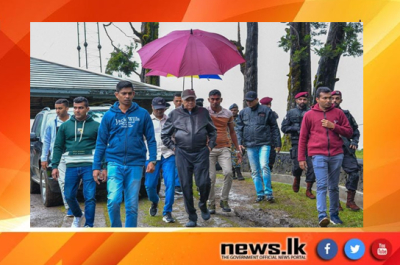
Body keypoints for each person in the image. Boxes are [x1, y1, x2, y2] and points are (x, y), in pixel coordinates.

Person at [93, 81, 157, 227]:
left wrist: (152, 159)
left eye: (129, 93)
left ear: (133, 94)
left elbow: (151, 139)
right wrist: (96, 166)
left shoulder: (142, 114)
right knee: (113, 200)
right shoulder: (109, 116)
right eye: (123, 93)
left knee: (132, 205)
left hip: (135, 164)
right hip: (114, 162)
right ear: (117, 95)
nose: (127, 96)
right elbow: (101, 142)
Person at [298, 87, 353, 227]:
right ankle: (322, 215)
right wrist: (301, 158)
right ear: (317, 99)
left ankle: (334, 214)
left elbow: (349, 132)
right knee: (322, 185)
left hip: (336, 154)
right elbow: (303, 138)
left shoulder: (338, 113)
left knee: (333, 187)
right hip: (317, 154)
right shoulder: (309, 115)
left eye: (330, 98)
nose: (329, 101)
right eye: (325, 98)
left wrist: (333, 126)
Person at [162, 89, 217, 227]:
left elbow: (212, 131)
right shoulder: (174, 114)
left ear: (195, 99)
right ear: (182, 100)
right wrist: (174, 148)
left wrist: (210, 145)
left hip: (200, 152)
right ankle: (192, 217)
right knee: (185, 185)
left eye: (192, 99)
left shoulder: (203, 112)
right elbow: (165, 135)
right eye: (187, 100)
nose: (190, 102)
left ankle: (203, 204)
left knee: (204, 182)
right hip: (182, 153)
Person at [52, 97, 99, 228]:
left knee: (89, 196)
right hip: (71, 166)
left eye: (81, 108)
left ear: (87, 109)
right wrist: (54, 165)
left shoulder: (96, 126)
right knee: (68, 195)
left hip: (89, 165)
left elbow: (102, 147)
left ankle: (89, 225)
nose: (77, 111)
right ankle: (78, 215)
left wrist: (102, 166)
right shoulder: (65, 126)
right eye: (75, 108)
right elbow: (58, 146)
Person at [235, 91, 281, 203]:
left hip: (265, 143)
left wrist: (278, 143)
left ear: (257, 99)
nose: (249, 103)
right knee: (255, 170)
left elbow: (274, 127)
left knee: (264, 166)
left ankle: (268, 192)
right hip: (250, 145)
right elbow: (238, 128)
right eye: (247, 101)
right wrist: (239, 142)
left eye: (251, 100)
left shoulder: (266, 110)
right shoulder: (243, 113)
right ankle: (259, 193)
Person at [206, 90, 242, 214]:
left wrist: (237, 148)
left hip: (224, 147)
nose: (215, 101)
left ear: (221, 99)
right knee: (211, 178)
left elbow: (232, 131)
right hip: (209, 148)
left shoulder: (227, 113)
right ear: (208, 99)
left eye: (217, 99)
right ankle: (210, 203)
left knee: (228, 172)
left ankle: (224, 200)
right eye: (212, 99)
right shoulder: (204, 112)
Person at [145, 97, 177, 223]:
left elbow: (176, 135)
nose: (159, 111)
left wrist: (176, 147)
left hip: (168, 154)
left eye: (162, 108)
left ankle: (167, 212)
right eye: (157, 108)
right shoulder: (146, 120)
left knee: (170, 184)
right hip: (152, 156)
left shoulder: (170, 120)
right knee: (149, 185)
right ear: (152, 107)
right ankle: (154, 201)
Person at [281, 92, 316, 199]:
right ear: (296, 100)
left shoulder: (311, 112)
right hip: (296, 142)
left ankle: (308, 189)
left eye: (304, 100)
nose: (302, 102)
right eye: (300, 99)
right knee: (297, 166)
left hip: (310, 143)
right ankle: (297, 179)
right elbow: (284, 128)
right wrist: (296, 129)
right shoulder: (291, 113)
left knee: (312, 167)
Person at [331, 90, 361, 211]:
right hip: (331, 149)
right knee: (332, 176)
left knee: (354, 173)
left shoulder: (346, 114)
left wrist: (354, 141)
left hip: (346, 148)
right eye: (332, 98)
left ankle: (350, 201)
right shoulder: (323, 114)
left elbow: (355, 131)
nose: (334, 101)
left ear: (341, 100)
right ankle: (335, 202)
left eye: (337, 98)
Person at [41, 99, 72, 216]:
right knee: (63, 181)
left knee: (75, 182)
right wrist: (44, 158)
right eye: (56, 108)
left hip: (74, 155)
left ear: (67, 108)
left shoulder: (74, 120)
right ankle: (69, 207)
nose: (58, 111)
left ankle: (73, 204)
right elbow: (47, 141)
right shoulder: (51, 122)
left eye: (60, 108)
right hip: (58, 157)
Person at [165, 92, 183, 196]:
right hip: (174, 141)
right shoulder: (170, 113)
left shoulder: (187, 112)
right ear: (173, 101)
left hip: (185, 141)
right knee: (176, 163)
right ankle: (177, 185)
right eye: (177, 101)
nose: (179, 102)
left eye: (181, 100)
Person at [260, 97, 281, 172]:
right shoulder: (258, 114)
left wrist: (278, 143)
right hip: (261, 141)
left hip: (270, 141)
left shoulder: (271, 114)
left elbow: (275, 129)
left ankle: (266, 179)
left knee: (270, 162)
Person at [228, 103, 244, 180]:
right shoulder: (227, 119)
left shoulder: (240, 119)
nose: (233, 112)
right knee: (229, 157)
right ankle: (233, 172)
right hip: (228, 141)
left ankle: (238, 173)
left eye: (235, 110)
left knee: (237, 156)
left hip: (237, 141)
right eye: (232, 110)